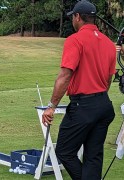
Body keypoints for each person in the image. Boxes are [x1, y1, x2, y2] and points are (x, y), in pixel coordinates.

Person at [42, 0, 116, 179]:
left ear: (77, 17)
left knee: (65, 151)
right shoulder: (108, 43)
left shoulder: (75, 40)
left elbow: (65, 76)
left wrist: (51, 105)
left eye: (72, 17)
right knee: (93, 156)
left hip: (83, 106)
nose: (72, 21)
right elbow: (108, 79)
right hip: (103, 105)